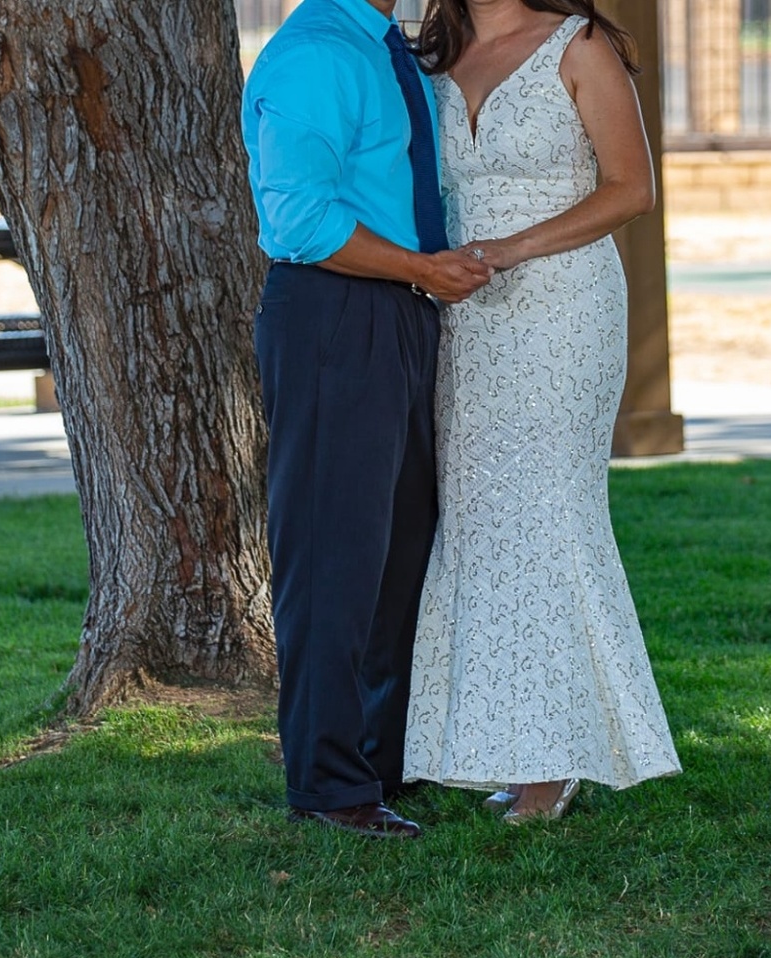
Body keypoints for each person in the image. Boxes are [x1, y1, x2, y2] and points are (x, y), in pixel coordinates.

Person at [403, 0, 681, 822]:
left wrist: (512, 248)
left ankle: (555, 759)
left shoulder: (581, 45)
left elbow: (633, 189)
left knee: (552, 512)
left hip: (561, 305)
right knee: (480, 519)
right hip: (465, 308)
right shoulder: (433, 52)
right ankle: (499, 741)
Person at [241, 0, 491, 840]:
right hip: (336, 315)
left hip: (401, 310)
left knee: (397, 552)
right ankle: (329, 783)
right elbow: (299, 220)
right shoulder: (315, 54)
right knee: (333, 557)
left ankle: (382, 761)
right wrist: (422, 267)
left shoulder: (387, 47)